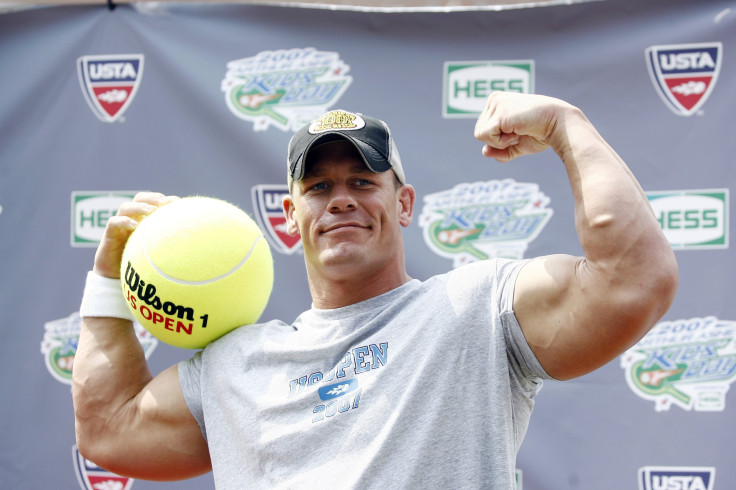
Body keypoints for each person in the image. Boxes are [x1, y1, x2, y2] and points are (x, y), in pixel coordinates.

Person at [72, 92, 678, 488]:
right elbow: (108, 430)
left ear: (404, 203)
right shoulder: (234, 365)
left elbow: (632, 281)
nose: (340, 198)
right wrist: (107, 279)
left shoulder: (475, 310)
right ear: (290, 217)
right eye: (317, 187)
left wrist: (566, 126)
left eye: (363, 180)